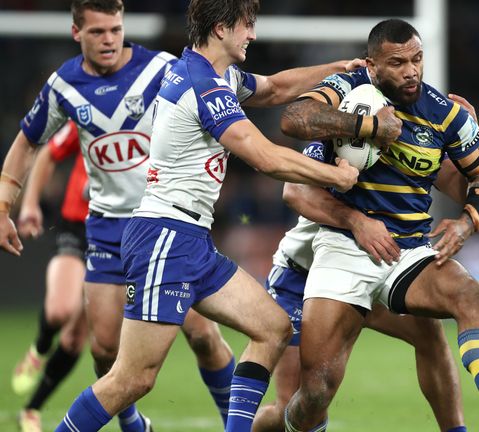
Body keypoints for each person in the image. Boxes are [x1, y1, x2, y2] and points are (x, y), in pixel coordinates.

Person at [0, 1, 354, 430]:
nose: (253, 36)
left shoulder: (210, 74)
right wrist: (333, 173)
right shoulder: (201, 83)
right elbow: (263, 155)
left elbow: (275, 88)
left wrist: (341, 70)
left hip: (190, 239)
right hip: (164, 238)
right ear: (222, 29)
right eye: (247, 26)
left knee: (272, 327)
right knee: (131, 378)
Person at [279, 19, 479, 432]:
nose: (411, 70)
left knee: (469, 294)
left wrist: (468, 222)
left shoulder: (446, 115)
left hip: (407, 252)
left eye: (416, 59)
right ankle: (285, 425)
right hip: (343, 249)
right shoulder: (349, 89)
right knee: (317, 391)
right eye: (397, 63)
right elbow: (294, 117)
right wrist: (370, 128)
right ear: (373, 67)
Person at [253, 95, 476, 431]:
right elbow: (294, 192)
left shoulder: (412, 144)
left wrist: (465, 138)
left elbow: (465, 188)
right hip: (304, 276)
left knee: (429, 335)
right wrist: (356, 220)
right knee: (294, 407)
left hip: (371, 271)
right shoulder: (343, 131)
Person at [12, 120, 89, 432]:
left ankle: (32, 409)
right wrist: (30, 204)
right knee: (60, 310)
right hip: (78, 225)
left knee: (76, 339)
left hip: (123, 233)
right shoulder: (93, 106)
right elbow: (47, 153)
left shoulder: (161, 113)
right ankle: (40, 348)